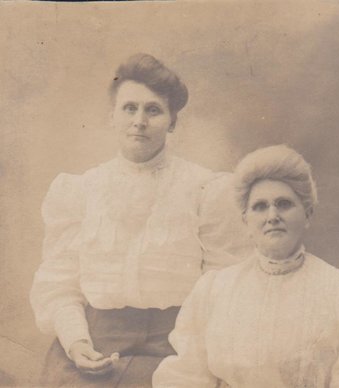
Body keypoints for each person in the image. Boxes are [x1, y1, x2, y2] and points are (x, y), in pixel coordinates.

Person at [30, 53, 250, 387]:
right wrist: (76, 343)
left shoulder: (205, 189)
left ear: (173, 122)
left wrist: (196, 355)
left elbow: (220, 287)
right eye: (129, 108)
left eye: (153, 110)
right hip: (94, 343)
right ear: (112, 116)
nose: (139, 121)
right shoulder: (81, 190)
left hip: (177, 348)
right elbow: (59, 284)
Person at [153, 144, 339, 387]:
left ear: (307, 214)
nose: (272, 216)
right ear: (246, 220)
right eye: (260, 206)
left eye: (284, 204)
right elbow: (185, 377)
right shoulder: (213, 291)